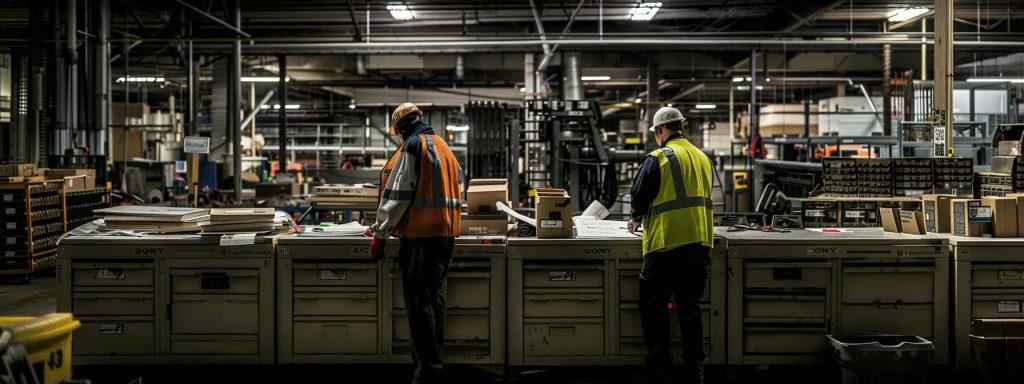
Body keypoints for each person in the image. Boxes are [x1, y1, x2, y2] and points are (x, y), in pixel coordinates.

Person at [366, 102, 463, 384]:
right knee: (434, 301)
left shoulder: (412, 147)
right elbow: (460, 184)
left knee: (418, 305)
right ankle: (433, 364)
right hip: (446, 235)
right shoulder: (444, 146)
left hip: (420, 236)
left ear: (401, 128)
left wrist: (380, 233)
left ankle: (429, 372)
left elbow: (398, 195)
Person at [627, 107, 714, 384]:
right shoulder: (703, 158)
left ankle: (659, 369)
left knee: (654, 306)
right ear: (681, 127)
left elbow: (639, 194)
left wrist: (635, 218)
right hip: (699, 242)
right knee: (689, 307)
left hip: (665, 243)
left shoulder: (658, 157)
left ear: (659, 131)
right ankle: (694, 371)